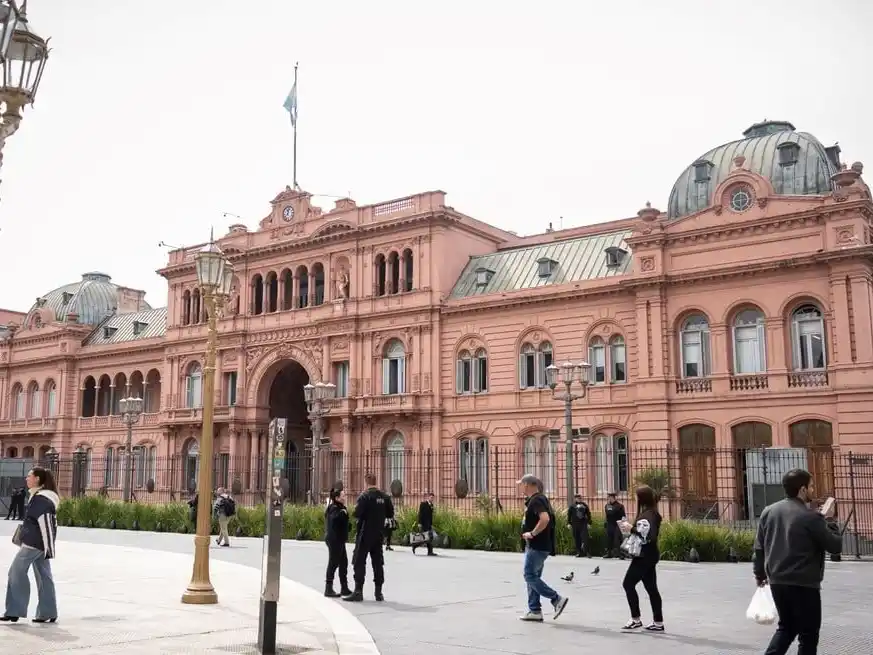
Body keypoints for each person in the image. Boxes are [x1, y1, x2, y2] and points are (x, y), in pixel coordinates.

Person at [754, 468, 842, 655]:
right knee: (808, 635)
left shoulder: (768, 511)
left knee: (786, 627)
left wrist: (759, 574)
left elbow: (759, 548)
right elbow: (835, 546)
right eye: (811, 486)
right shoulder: (811, 517)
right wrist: (831, 521)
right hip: (804, 584)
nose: (813, 490)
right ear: (802, 490)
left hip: (777, 581)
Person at [2, 467, 59, 624]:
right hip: (40, 544)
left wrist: (49, 548)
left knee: (15, 572)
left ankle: (14, 611)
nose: (26, 479)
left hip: (34, 544)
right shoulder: (40, 497)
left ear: (38, 479)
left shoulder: (42, 499)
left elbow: (47, 524)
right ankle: (47, 612)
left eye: (29, 476)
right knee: (44, 576)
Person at [518, 474, 568, 622]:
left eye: (521, 484)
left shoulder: (537, 500)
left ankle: (556, 599)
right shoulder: (537, 500)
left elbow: (544, 519)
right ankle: (534, 610)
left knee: (529, 576)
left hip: (537, 546)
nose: (520, 487)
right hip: (538, 546)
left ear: (527, 485)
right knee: (533, 577)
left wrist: (532, 533)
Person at [343, 472, 394, 602]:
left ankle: (358, 591)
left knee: (359, 561)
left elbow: (357, 513)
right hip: (379, 534)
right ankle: (379, 593)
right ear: (376, 481)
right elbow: (390, 513)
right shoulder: (385, 497)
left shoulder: (364, 497)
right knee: (378, 563)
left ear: (366, 482)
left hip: (365, 533)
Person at [619, 485, 664, 632]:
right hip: (651, 555)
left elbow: (648, 535)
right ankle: (658, 622)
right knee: (652, 588)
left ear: (641, 498)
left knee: (628, 584)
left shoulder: (647, 515)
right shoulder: (653, 513)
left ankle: (635, 619)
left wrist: (630, 528)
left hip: (643, 556)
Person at [324, 488, 351, 598]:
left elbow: (344, 523)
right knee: (333, 563)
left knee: (343, 563)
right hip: (334, 540)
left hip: (340, 540)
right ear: (337, 498)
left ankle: (344, 587)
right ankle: (328, 588)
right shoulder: (334, 508)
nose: (345, 497)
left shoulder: (341, 508)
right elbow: (335, 521)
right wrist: (343, 514)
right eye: (343, 495)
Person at [603, 492, 626, 558]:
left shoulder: (619, 506)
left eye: (610, 497)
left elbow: (623, 516)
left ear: (613, 497)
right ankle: (609, 553)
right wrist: (605, 522)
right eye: (608, 497)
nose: (608, 498)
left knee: (617, 539)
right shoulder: (607, 505)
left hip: (617, 524)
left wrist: (622, 525)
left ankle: (619, 554)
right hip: (609, 524)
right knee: (609, 539)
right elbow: (607, 515)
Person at [414, 492, 437, 556]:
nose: (432, 499)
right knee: (425, 538)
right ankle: (415, 545)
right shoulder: (423, 504)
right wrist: (419, 523)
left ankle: (430, 551)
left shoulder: (431, 505)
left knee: (428, 538)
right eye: (431, 497)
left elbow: (431, 516)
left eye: (433, 498)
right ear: (428, 497)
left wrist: (431, 524)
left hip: (429, 524)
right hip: (423, 524)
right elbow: (420, 514)